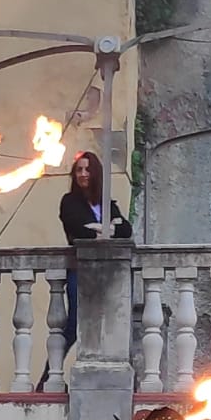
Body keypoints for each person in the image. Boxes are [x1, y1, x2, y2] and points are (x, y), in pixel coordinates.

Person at [40, 151, 131, 389]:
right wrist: (107, 228)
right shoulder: (70, 201)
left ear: (96, 173)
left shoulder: (107, 203)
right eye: (79, 170)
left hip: (107, 274)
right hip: (80, 271)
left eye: (87, 169)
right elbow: (78, 230)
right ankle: (47, 378)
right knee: (73, 325)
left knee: (107, 324)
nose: (83, 174)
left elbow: (126, 230)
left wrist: (100, 228)